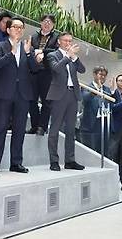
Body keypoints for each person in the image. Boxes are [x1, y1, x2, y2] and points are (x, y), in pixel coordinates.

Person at [0, 18, 37, 174]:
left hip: (22, 94)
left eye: (21, 27)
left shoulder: (27, 47)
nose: (18, 30)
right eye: (15, 27)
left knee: (19, 129)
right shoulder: (0, 46)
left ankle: (16, 163)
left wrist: (29, 54)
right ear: (8, 30)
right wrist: (12, 53)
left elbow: (35, 69)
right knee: (0, 128)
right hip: (4, 93)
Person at [46, 32, 86, 171]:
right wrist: (68, 56)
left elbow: (82, 70)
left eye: (70, 41)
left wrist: (74, 57)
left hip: (72, 94)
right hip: (58, 95)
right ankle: (54, 161)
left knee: (71, 129)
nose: (68, 43)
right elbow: (56, 69)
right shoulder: (53, 55)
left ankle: (70, 160)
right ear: (59, 42)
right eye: (65, 40)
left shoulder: (72, 57)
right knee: (55, 129)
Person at [28, 14, 59, 135]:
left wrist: (42, 52)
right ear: (40, 23)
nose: (47, 24)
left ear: (53, 25)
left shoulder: (56, 37)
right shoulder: (34, 36)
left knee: (47, 101)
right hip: (34, 71)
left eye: (50, 22)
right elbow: (29, 50)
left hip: (48, 72)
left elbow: (56, 51)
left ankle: (42, 127)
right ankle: (34, 125)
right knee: (32, 100)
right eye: (45, 21)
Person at [80, 66, 112, 154]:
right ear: (94, 75)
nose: (102, 77)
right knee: (90, 151)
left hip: (104, 123)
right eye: (100, 74)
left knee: (104, 150)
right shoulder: (86, 87)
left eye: (104, 75)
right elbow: (84, 99)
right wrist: (93, 92)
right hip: (91, 124)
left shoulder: (107, 89)